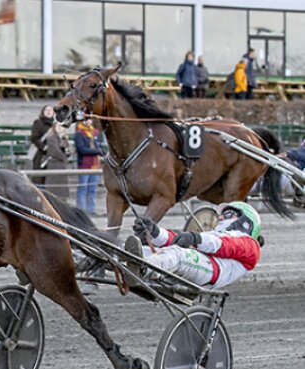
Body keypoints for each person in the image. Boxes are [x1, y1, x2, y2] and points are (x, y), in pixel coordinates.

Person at [126, 202, 262, 290]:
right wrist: (155, 232)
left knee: (178, 255)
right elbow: (179, 240)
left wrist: (195, 238)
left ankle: (143, 268)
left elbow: (225, 246)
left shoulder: (250, 245)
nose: (220, 218)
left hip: (211, 271)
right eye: (221, 215)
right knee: (149, 252)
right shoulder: (212, 236)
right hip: (199, 263)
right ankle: (118, 260)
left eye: (227, 214)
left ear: (246, 224)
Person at [73, 118, 104, 215]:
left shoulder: (95, 133)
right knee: (83, 188)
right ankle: (81, 211)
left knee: (92, 189)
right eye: (85, 119)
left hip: (95, 165)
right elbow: (82, 150)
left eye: (89, 119)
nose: (88, 121)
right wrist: (97, 151)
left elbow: (100, 147)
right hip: (84, 165)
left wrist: (100, 151)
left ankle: (91, 210)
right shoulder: (79, 134)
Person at [41, 122, 72, 201]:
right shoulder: (51, 138)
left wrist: (65, 141)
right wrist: (64, 157)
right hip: (54, 164)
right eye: (58, 126)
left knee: (62, 190)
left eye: (62, 127)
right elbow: (55, 152)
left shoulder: (63, 138)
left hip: (62, 165)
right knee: (53, 189)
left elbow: (71, 150)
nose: (60, 128)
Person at [29, 105, 56, 186]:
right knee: (38, 177)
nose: (49, 112)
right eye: (47, 110)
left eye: (50, 110)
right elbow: (34, 138)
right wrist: (43, 147)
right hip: (40, 153)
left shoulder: (54, 125)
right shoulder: (38, 123)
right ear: (43, 112)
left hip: (50, 153)